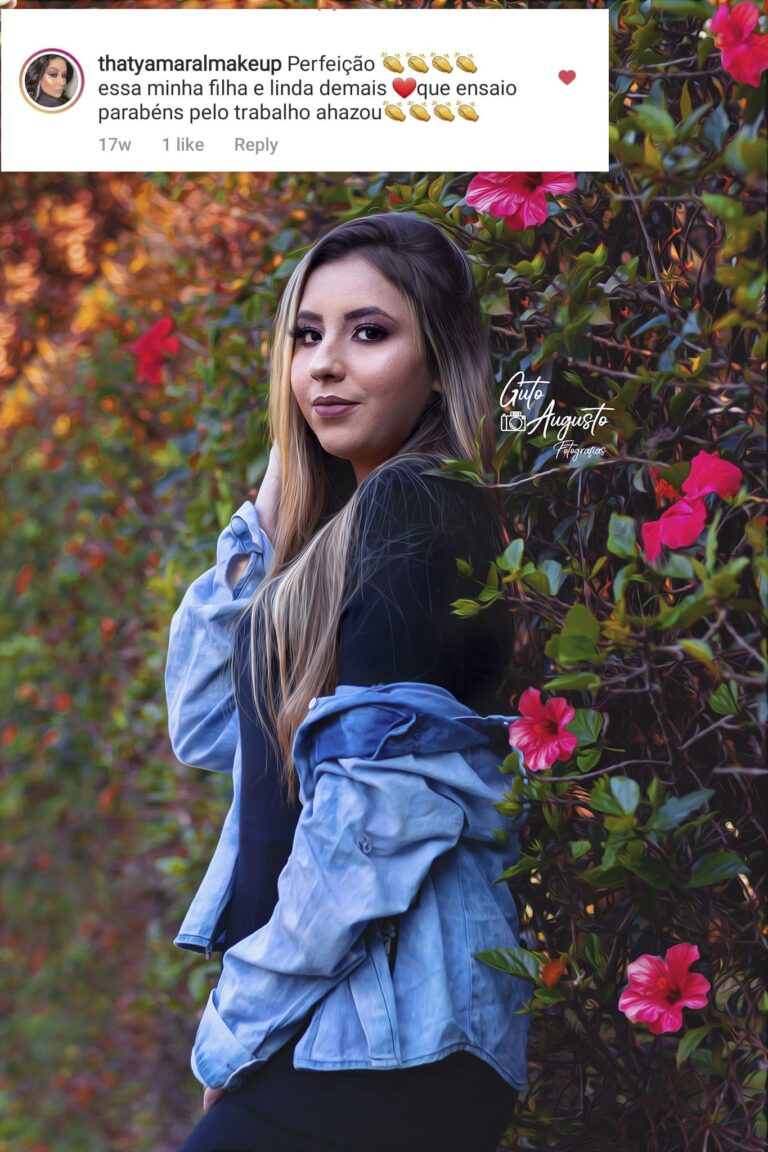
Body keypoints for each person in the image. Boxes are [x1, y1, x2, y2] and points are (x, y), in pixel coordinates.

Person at [165, 213, 531, 1152]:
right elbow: (209, 727)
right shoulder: (345, 537)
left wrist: (237, 1036)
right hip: (354, 1031)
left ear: (442, 362)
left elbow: (373, 825)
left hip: (385, 1039)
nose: (325, 364)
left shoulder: (416, 509)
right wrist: (270, 512)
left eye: (369, 333)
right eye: (307, 335)